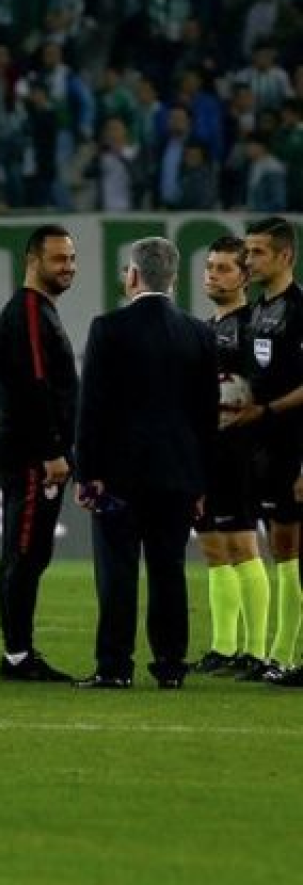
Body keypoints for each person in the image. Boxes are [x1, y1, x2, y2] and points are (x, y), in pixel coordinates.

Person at [73, 237, 218, 690]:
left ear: (133, 275)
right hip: (177, 477)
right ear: (173, 278)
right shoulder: (199, 333)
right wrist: (201, 483)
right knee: (168, 569)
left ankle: (115, 667)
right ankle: (171, 666)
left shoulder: (108, 328)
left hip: (119, 478)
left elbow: (91, 408)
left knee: (117, 571)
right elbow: (207, 416)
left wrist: (87, 475)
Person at [0, 224, 79, 682]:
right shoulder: (28, 310)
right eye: (59, 259)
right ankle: (17, 656)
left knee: (28, 552)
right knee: (25, 552)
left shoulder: (39, 310)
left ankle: (18, 652)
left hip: (32, 450)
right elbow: (35, 383)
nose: (69, 267)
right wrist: (51, 451)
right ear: (32, 261)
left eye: (72, 259)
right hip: (31, 455)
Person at [228, 217, 303, 686]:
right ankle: (280, 656)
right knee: (282, 550)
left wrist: (267, 409)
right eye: (247, 251)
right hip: (263, 447)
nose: (247, 260)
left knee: (292, 552)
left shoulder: (299, 309)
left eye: (257, 252)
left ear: (285, 256)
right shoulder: (258, 310)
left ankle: (284, 656)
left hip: (293, 447)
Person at [191, 237, 271, 676]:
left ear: (245, 276)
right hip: (206, 454)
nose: (213, 275)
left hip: (240, 454)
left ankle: (256, 652)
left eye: (224, 268)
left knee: (242, 546)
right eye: (210, 267)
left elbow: (267, 388)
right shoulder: (206, 328)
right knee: (214, 549)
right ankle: (224, 647)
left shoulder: (253, 327)